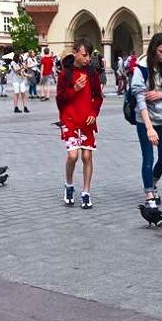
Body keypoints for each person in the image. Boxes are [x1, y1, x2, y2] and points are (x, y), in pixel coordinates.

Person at [131, 33, 162, 208]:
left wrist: (161, 94)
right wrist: (149, 128)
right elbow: (140, 100)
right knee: (148, 157)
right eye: (161, 51)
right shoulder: (142, 69)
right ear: (153, 50)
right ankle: (149, 192)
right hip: (145, 120)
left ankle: (153, 181)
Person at [57, 38, 103, 209]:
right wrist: (74, 89)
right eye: (84, 55)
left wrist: (94, 113)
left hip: (86, 120)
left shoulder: (92, 74)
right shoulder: (65, 74)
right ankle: (69, 185)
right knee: (73, 155)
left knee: (86, 156)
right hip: (69, 119)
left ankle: (86, 192)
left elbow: (98, 97)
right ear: (75, 52)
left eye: (89, 55)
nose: (87, 59)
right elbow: (59, 100)